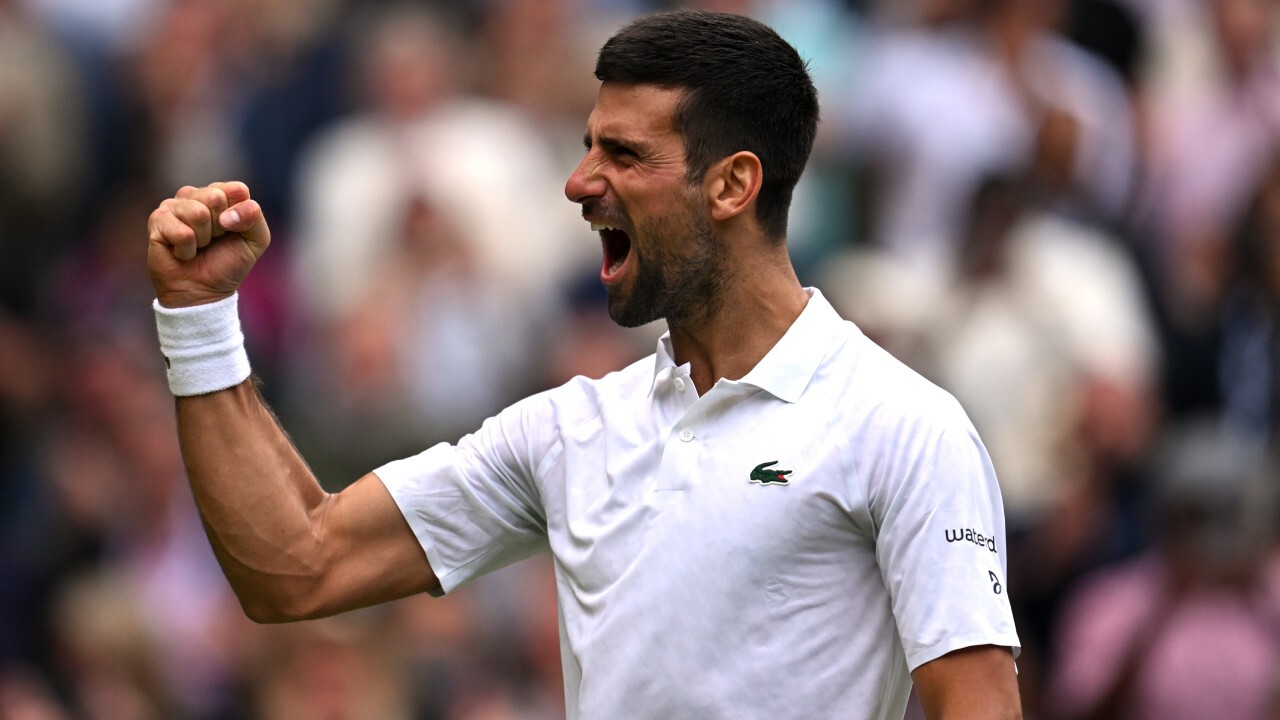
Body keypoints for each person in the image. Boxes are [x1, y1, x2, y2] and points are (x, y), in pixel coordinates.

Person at [145, 10, 1022, 720]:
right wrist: (198, 318)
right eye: (588, 144)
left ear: (732, 185)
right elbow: (297, 565)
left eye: (624, 155)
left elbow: (978, 706)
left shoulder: (904, 426)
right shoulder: (567, 431)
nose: (578, 182)